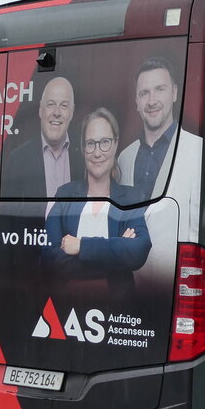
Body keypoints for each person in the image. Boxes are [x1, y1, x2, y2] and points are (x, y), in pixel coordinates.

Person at [44, 108, 150, 291]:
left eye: (105, 142)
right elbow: (50, 257)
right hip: (66, 309)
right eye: (91, 143)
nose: (97, 152)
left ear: (116, 144)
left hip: (117, 313)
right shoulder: (65, 194)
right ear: (83, 149)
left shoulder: (131, 197)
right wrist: (117, 251)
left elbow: (139, 250)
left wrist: (81, 246)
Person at [115, 57, 202, 234]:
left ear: (175, 93)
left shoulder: (197, 150)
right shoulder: (124, 158)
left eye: (160, 89)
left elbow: (197, 225)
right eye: (144, 93)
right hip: (129, 261)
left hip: (175, 261)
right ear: (136, 102)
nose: (152, 101)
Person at [1, 76, 85, 198]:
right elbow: (8, 214)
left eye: (64, 106)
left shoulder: (85, 153)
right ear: (41, 109)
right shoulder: (18, 159)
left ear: (72, 112)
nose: (57, 113)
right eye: (51, 104)